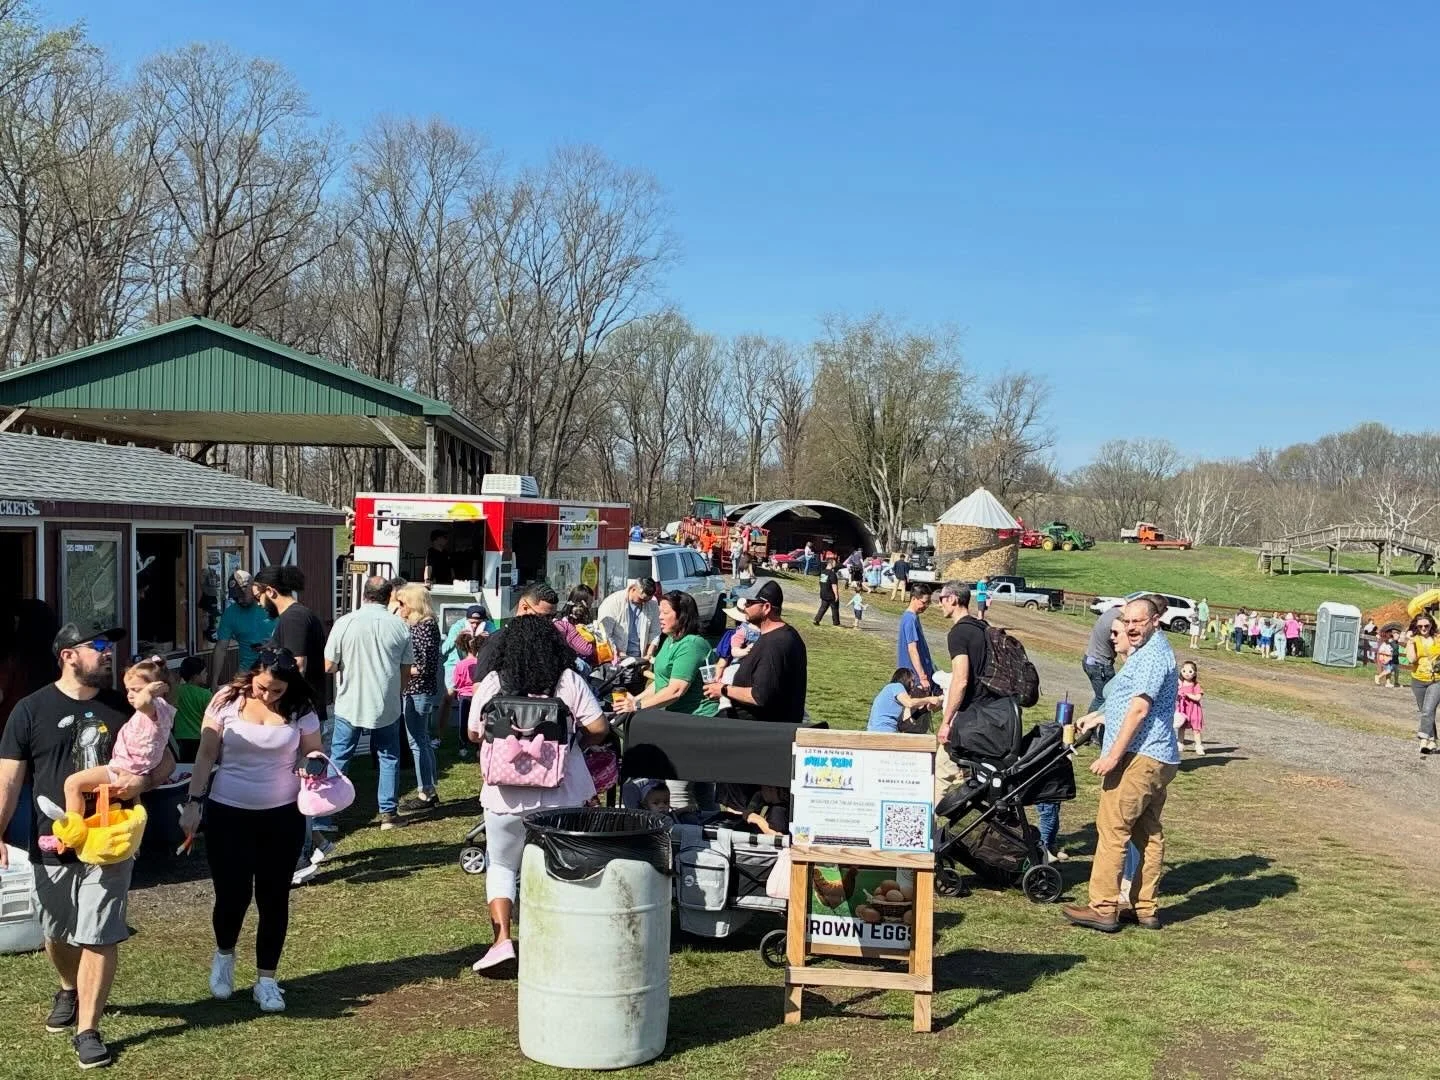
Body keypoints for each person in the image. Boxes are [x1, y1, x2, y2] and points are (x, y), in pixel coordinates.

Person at [0, 623, 175, 1070]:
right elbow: (8, 778)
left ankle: (89, 1029)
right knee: (57, 930)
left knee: (99, 931)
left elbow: (166, 756)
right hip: (52, 837)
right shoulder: (30, 709)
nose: (108, 654)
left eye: (109, 647)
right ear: (68, 655)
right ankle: (69, 987)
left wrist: (146, 780)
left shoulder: (125, 705)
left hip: (111, 839)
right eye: (97, 647)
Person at [178, 648, 321, 1013]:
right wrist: (194, 801)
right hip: (229, 811)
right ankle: (225, 956)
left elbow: (315, 751)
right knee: (232, 894)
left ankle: (267, 980)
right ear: (252, 675)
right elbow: (206, 755)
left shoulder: (300, 706)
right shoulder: (226, 699)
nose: (268, 696)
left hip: (283, 814)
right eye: (263, 688)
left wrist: (311, 764)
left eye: (277, 691)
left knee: (274, 898)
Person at [467, 615, 611, 974]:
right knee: (565, 867)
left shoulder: (493, 683)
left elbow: (472, 733)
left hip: (505, 793)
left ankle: (502, 941)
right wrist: (574, 744)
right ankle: (561, 941)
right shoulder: (568, 681)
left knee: (500, 865)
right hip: (562, 791)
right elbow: (599, 728)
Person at [1063, 597, 1180, 933]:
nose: (1130, 627)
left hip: (1140, 757)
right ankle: (1144, 908)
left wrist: (1113, 755)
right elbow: (1126, 702)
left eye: (1137, 622)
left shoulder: (1154, 656)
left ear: (1156, 620)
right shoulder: (1147, 653)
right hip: (1157, 756)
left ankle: (1103, 907)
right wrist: (1100, 716)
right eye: (1126, 621)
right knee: (1148, 833)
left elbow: (1139, 710)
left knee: (1113, 829)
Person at [321, 577, 414, 831]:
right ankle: (388, 813)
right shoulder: (399, 626)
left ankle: (325, 816)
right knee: (389, 757)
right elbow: (407, 669)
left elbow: (328, 665)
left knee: (339, 757)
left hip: (350, 700)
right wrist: (399, 691)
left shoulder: (345, 623)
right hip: (386, 701)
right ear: (389, 597)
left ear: (364, 595)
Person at [614, 591, 718, 816]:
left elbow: (676, 689)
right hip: (676, 722)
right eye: (659, 612)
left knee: (678, 786)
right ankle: (707, 823)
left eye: (665, 612)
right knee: (702, 790)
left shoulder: (692, 644)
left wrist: (638, 707)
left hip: (695, 724)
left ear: (682, 616)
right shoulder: (670, 640)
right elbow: (661, 683)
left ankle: (684, 837)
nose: (659, 617)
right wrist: (636, 699)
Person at [60, 659, 172, 822]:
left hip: (124, 768)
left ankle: (72, 826)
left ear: (157, 689)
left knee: (72, 784)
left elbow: (142, 702)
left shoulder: (156, 707)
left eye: (136, 689)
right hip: (132, 768)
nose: (130, 695)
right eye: (128, 689)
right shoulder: (153, 711)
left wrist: (149, 690)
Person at [704, 580, 807, 723]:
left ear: (766, 607)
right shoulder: (783, 635)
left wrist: (723, 689)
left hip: (759, 733)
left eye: (749, 602)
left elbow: (759, 696)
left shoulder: (774, 644)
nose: (744, 606)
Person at [934, 582, 987, 799]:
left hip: (968, 718)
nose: (940, 604)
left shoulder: (958, 633)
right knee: (973, 777)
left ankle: (930, 831)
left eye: (941, 599)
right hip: (991, 718)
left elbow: (961, 680)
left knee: (940, 776)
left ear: (953, 599)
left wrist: (947, 721)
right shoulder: (983, 627)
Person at [394, 584, 442, 814]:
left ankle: (426, 791)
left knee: (418, 741)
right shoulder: (421, 625)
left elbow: (424, 666)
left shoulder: (424, 627)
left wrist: (399, 669)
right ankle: (429, 788)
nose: (399, 607)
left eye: (402, 603)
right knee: (421, 740)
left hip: (418, 690)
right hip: (415, 689)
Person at [252, 566, 327, 708]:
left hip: (298, 710)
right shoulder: (295, 615)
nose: (258, 603)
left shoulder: (293, 618)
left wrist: (286, 706)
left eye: (258, 597)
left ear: (270, 591)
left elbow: (297, 665)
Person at [207, 569, 275, 690]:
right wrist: (214, 680)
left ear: (252, 587)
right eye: (236, 597)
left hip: (275, 668)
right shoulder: (230, 613)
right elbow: (221, 648)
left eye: (242, 595)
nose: (240, 600)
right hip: (246, 672)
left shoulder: (270, 605)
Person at [596, 578, 660, 662]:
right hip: (617, 658)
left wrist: (649, 654)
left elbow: (655, 632)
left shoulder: (652, 604)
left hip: (641, 658)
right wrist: (620, 655)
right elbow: (604, 634)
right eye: (641, 599)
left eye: (647, 600)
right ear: (633, 589)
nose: (644, 603)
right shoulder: (612, 603)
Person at [866, 669, 944, 733]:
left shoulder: (898, 701)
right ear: (905, 679)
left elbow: (904, 726)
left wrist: (924, 710)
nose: (914, 684)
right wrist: (928, 699)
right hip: (882, 732)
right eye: (912, 681)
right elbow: (909, 703)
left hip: (886, 732)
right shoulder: (896, 686)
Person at [1408, 612, 1440, 753]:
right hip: (1418, 680)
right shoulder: (1414, 639)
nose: (1423, 628)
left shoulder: (1438, 639)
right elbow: (1411, 659)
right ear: (1416, 626)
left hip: (1436, 680)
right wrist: (1409, 642)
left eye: (1426, 625)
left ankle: (1423, 739)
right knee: (1426, 711)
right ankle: (1432, 741)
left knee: (1427, 710)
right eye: (1420, 626)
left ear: (1431, 625)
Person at [171, 656, 213, 763]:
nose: (207, 674)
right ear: (195, 676)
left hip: (181, 738)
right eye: (204, 672)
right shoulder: (206, 694)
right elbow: (212, 718)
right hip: (200, 738)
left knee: (186, 769)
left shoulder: (177, 691)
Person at [897, 585, 936, 693]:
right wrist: (922, 677)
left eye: (928, 603)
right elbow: (912, 649)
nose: (926, 606)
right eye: (924, 602)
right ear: (914, 598)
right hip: (914, 677)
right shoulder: (910, 619)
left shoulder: (914, 617)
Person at [1083, 606, 1122, 712]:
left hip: (1090, 658)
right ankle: (1088, 727)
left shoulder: (1112, 611)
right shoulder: (1118, 620)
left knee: (1102, 697)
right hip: (1100, 665)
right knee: (1103, 698)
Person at [450, 632, 481, 759]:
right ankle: (478, 746)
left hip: (464, 696)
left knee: (463, 722)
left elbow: (457, 682)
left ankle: (463, 746)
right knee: (477, 721)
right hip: (477, 695)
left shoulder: (460, 664)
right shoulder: (480, 663)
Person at [552, 585, 599, 666]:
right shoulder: (563, 621)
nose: (590, 607)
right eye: (588, 604)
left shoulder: (585, 619)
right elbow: (586, 649)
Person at [1175, 660, 1206, 755]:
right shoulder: (1179, 683)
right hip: (1182, 709)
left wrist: (1188, 695)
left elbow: (1198, 697)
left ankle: (1198, 746)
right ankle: (1179, 743)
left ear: (1194, 673)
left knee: (1196, 729)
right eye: (1184, 671)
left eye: (1190, 671)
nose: (1187, 674)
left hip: (1194, 710)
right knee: (1181, 727)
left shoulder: (1196, 685)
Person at [813, 557, 842, 627]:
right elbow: (834, 585)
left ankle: (817, 619)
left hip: (823, 593)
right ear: (831, 563)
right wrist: (836, 595)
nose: (836, 564)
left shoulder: (822, 572)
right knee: (835, 608)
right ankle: (836, 622)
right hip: (831, 594)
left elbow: (821, 583)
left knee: (823, 607)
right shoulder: (832, 574)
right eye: (834, 562)